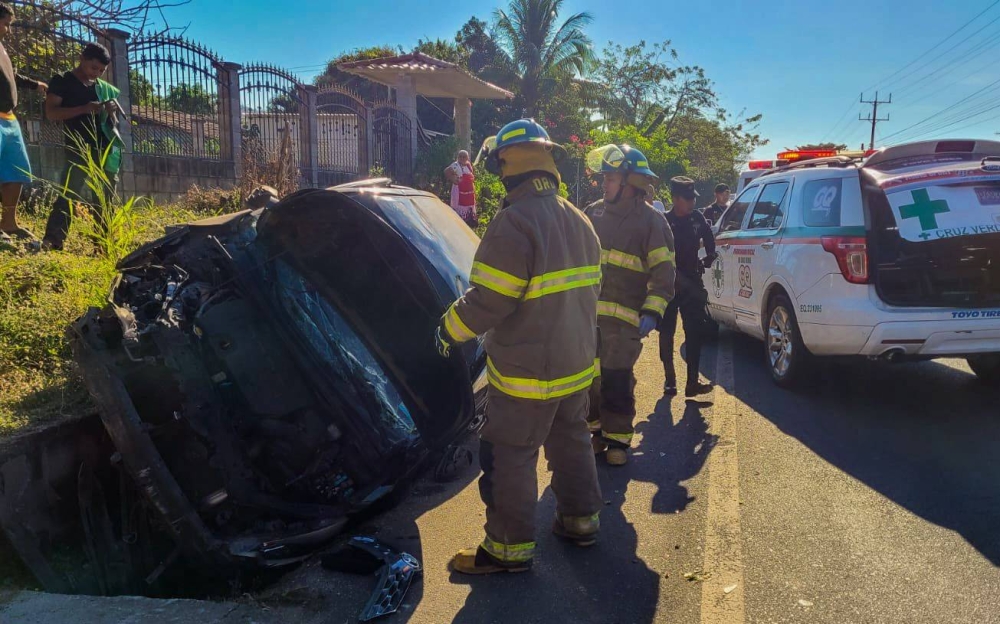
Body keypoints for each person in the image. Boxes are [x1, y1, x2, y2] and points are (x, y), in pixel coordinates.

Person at [435, 119, 603, 574]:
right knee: (571, 442)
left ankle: (507, 550)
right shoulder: (580, 218)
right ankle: (581, 522)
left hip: (530, 371)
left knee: (511, 452)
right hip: (575, 363)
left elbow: (489, 301)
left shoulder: (515, 222)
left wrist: (448, 329)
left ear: (508, 166)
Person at [583, 144, 676, 466]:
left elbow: (664, 274)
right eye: (605, 178)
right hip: (586, 317)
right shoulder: (592, 213)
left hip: (624, 322)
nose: (603, 184)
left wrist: (652, 311)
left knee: (616, 379)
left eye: (609, 179)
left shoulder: (652, 222)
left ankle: (618, 439)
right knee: (588, 380)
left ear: (630, 183)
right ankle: (594, 432)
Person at [40, 42, 122, 251]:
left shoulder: (100, 87)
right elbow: (52, 114)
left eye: (102, 71)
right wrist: (84, 108)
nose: (97, 73)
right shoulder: (62, 81)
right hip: (78, 149)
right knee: (69, 194)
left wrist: (109, 108)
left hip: (104, 149)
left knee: (103, 199)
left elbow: (109, 119)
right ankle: (53, 241)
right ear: (81, 59)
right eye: (94, 68)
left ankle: (103, 245)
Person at [660, 176, 717, 398]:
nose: (692, 202)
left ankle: (692, 382)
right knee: (666, 333)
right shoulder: (664, 222)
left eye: (693, 198)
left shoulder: (697, 218)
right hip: (669, 285)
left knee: (694, 333)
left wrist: (710, 256)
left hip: (692, 284)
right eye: (687, 199)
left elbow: (708, 237)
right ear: (675, 199)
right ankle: (669, 380)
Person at [0, 2, 47, 246]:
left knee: (16, 170)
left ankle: (8, 222)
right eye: (5, 24)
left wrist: (34, 84)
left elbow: (12, 77)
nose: (8, 30)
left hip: (8, 118)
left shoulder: (2, 49)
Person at [445, 149, 477, 227]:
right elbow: (446, 171)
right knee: (459, 211)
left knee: (469, 211)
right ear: (457, 157)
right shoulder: (455, 165)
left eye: (464, 157)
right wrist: (452, 178)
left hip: (469, 193)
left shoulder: (468, 165)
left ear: (467, 158)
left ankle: (469, 224)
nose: (462, 158)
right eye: (460, 156)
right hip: (459, 192)